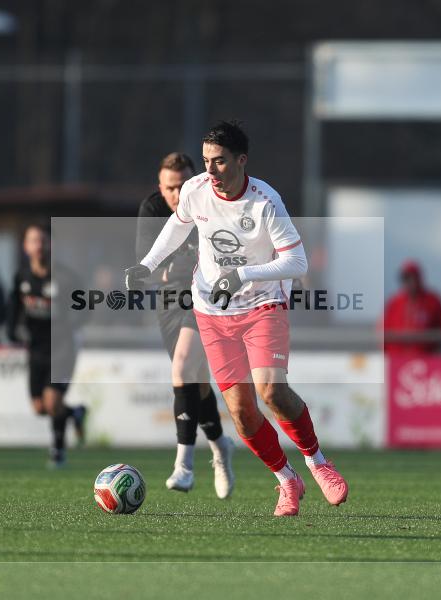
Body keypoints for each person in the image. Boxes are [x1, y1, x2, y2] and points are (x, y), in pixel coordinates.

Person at [126, 121, 348, 516]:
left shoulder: (265, 202)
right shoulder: (195, 190)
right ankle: (286, 480)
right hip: (212, 310)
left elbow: (297, 262)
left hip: (262, 305)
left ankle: (318, 464)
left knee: (271, 391)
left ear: (242, 161)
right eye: (207, 161)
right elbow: (177, 228)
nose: (210, 170)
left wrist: (242, 274)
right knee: (243, 415)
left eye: (220, 162)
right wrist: (146, 265)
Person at [136, 152, 235, 498]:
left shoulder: (213, 202)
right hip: (170, 300)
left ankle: (184, 466)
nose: (177, 195)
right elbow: (149, 267)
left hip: (208, 297)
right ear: (159, 187)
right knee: (197, 384)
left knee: (182, 367)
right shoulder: (152, 210)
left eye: (183, 185)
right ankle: (221, 447)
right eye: (169, 188)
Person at [7, 223, 87, 468]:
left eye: (43, 240)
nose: (38, 246)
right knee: (40, 407)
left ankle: (58, 451)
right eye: (33, 241)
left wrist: (71, 323)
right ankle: (75, 413)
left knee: (52, 402)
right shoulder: (21, 276)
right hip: (36, 348)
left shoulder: (65, 277)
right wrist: (12, 330)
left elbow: (84, 306)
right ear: (26, 246)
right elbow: (14, 307)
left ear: (50, 244)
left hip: (61, 347)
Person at [381, 260, 441, 356]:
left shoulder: (433, 301)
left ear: (418, 278)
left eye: (410, 278)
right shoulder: (394, 303)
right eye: (404, 278)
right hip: (396, 359)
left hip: (426, 360)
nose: (408, 282)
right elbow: (384, 331)